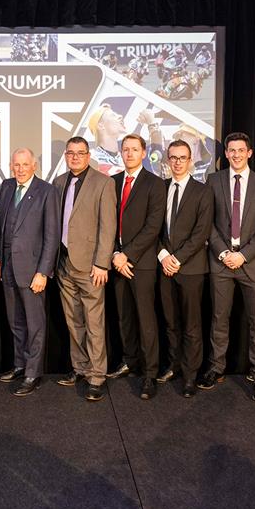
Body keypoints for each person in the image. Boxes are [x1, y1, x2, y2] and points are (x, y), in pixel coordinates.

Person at [200, 132, 255, 403]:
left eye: (240, 150)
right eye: (231, 150)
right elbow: (207, 221)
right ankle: (216, 367)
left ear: (249, 153)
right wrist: (223, 253)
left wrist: (243, 255)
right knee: (219, 319)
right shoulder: (213, 181)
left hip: (252, 263)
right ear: (226, 154)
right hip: (221, 263)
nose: (235, 154)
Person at [54, 136, 117, 402]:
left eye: (80, 153)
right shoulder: (58, 182)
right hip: (64, 262)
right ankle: (79, 368)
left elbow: (108, 226)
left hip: (91, 266)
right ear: (66, 156)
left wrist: (102, 262)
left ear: (88, 155)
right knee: (73, 321)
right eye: (71, 153)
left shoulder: (103, 182)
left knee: (94, 323)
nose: (75, 157)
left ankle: (97, 376)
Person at [0, 148, 60, 396]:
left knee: (35, 324)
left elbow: (52, 236)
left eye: (25, 165)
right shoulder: (7, 186)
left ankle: (33, 373)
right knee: (15, 321)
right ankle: (20, 364)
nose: (20, 169)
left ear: (35, 165)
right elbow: (2, 225)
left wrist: (43, 272)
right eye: (16, 165)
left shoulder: (47, 191)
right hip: (8, 267)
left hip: (33, 270)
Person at [106, 134, 166, 400]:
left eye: (134, 149)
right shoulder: (113, 182)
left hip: (140, 264)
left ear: (144, 153)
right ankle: (130, 361)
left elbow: (153, 226)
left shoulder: (155, 184)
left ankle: (150, 374)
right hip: (116, 261)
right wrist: (115, 255)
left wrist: (126, 254)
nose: (129, 153)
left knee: (145, 319)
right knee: (124, 316)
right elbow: (106, 222)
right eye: (125, 149)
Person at [155, 140, 214, 398]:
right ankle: (174, 365)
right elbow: (152, 227)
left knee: (191, 325)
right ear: (168, 160)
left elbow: (202, 232)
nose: (178, 162)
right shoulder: (161, 188)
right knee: (170, 322)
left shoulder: (203, 192)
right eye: (173, 157)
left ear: (190, 160)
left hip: (190, 268)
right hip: (164, 266)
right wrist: (164, 255)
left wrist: (177, 259)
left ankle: (190, 375)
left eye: (182, 157)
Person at [88, 104, 126, 176]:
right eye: (113, 115)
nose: (120, 116)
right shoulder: (90, 158)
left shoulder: (126, 159)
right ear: (101, 125)